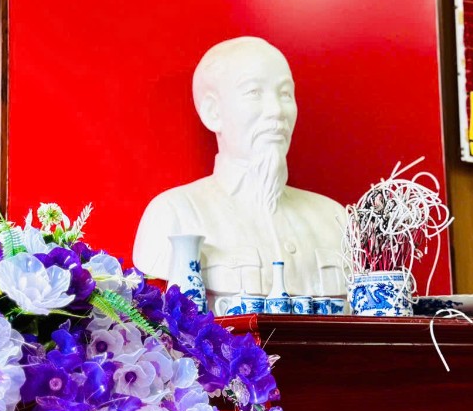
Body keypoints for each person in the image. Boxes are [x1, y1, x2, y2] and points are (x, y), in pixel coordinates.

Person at [133, 36, 349, 300]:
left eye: (285, 94)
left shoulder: (335, 220)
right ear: (213, 112)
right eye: (254, 92)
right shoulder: (174, 216)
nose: (277, 111)